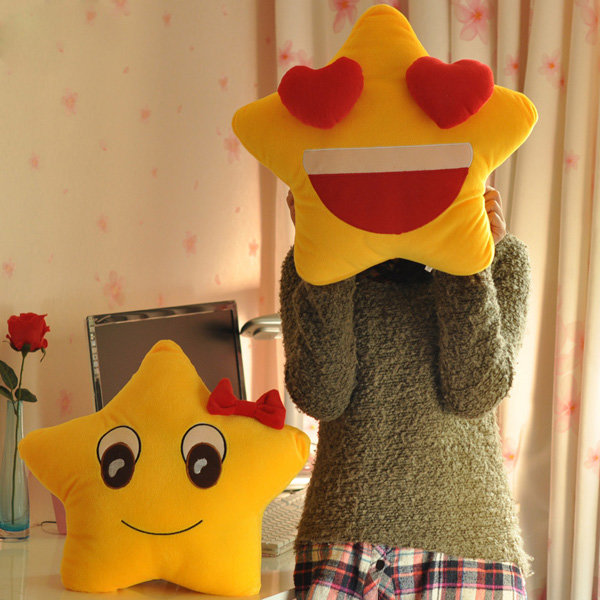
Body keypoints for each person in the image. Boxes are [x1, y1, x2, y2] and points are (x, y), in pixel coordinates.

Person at [279, 187, 531, 599]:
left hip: (468, 548)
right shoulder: (311, 262)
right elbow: (322, 396)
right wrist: (324, 248)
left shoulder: (501, 257)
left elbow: (474, 392)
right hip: (342, 541)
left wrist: (465, 255)